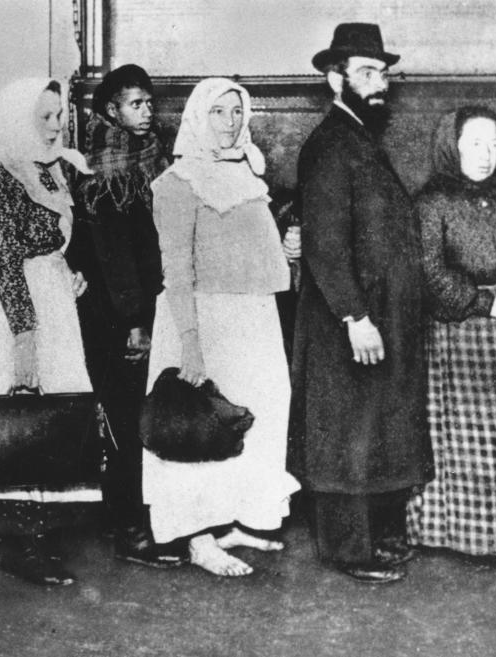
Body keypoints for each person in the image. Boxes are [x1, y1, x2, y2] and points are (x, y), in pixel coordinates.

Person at [289, 23, 432, 583]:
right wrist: (355, 317)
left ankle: (371, 539)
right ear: (335, 78)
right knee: (344, 431)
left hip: (374, 317)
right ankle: (347, 551)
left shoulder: (358, 140)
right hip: (345, 322)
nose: (380, 85)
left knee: (368, 427)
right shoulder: (329, 146)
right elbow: (324, 246)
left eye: (383, 75)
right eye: (367, 73)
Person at [143, 78, 299, 577]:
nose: (230, 124)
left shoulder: (250, 172)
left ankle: (238, 520)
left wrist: (285, 251)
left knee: (255, 419)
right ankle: (198, 538)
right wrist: (190, 344)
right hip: (204, 320)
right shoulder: (177, 182)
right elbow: (176, 270)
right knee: (197, 428)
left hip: (252, 320)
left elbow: (254, 251)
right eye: (218, 113)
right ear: (196, 119)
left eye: (237, 112)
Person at [0, 77, 94, 586]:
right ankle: (24, 543)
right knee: (20, 413)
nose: (56, 125)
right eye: (43, 117)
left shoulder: (53, 169)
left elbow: (52, 245)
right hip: (16, 306)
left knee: (57, 410)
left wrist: (68, 271)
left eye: (59, 115)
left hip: (54, 298)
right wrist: (23, 335)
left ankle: (46, 530)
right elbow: (5, 261)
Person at [405, 107, 496, 570]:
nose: (486, 155)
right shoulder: (432, 203)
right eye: (475, 143)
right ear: (452, 145)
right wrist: (493, 307)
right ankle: (472, 534)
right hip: (462, 330)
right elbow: (430, 275)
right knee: (476, 432)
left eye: (493, 144)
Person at [68, 64, 183, 568]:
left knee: (143, 411)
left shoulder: (149, 157)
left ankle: (148, 519)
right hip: (119, 314)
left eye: (149, 103)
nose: (147, 111)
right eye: (136, 104)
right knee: (125, 416)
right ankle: (130, 527)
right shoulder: (105, 167)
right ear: (111, 110)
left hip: (146, 305)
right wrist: (136, 321)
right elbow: (115, 257)